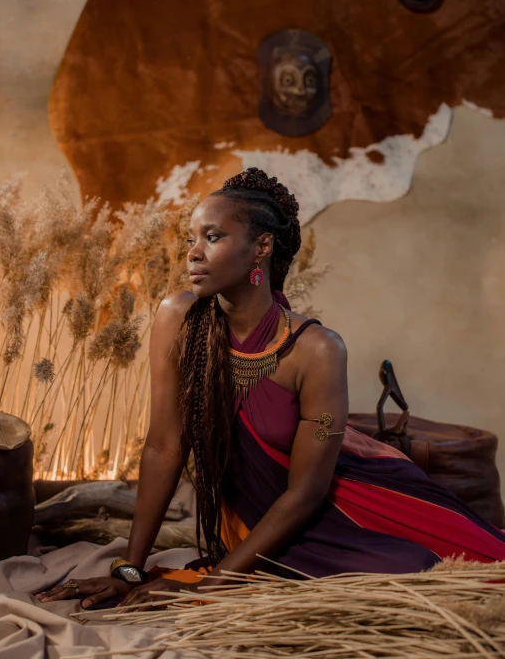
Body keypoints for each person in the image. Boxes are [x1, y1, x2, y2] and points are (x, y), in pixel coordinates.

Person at [37, 168, 505, 610]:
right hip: (253, 525)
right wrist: (130, 569)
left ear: (261, 247)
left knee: (419, 572)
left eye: (213, 237)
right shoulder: (178, 318)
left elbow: (306, 493)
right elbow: (164, 446)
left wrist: (211, 588)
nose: (193, 253)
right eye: (191, 238)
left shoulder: (317, 349)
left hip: (339, 509)